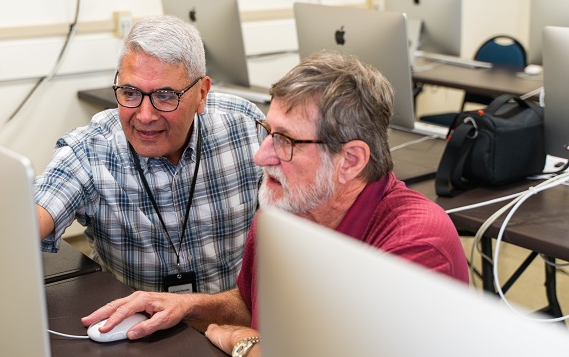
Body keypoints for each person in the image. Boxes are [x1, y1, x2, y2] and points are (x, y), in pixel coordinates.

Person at [80, 50, 470, 357]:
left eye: (286, 141)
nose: (261, 155)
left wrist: (248, 346)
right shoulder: (283, 213)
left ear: (350, 161)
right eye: (267, 132)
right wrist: (188, 307)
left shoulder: (415, 245)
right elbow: (253, 305)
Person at [35, 14, 265, 294]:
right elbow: (33, 215)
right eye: (130, 93)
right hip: (138, 331)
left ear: (202, 93)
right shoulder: (92, 149)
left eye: (166, 96)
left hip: (232, 321)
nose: (145, 116)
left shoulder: (246, 129)